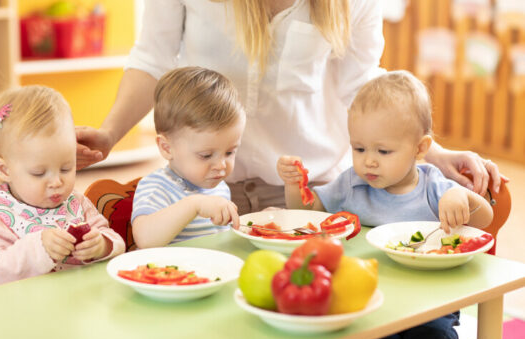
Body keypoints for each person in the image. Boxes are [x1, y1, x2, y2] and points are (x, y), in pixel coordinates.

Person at [76, 0, 505, 215]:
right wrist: (109, 134)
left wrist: (433, 153)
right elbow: (153, 59)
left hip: (313, 194)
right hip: (201, 187)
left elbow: (362, 85)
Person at [277, 70, 493, 339]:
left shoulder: (433, 185)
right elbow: (306, 211)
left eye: (383, 151)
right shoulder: (351, 183)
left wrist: (462, 196)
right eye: (359, 148)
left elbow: (486, 219)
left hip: (430, 302)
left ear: (420, 149)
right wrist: (294, 185)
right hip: (371, 300)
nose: (369, 160)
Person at [0, 86, 126, 289]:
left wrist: (103, 245)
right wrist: (38, 249)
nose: (56, 182)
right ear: (5, 169)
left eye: (66, 168)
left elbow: (113, 239)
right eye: (39, 173)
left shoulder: (75, 203)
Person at [131, 67, 245, 248]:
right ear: (167, 148)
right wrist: (194, 204)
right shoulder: (157, 187)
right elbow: (145, 239)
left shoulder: (219, 188)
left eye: (230, 152)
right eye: (206, 155)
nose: (221, 165)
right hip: (170, 274)